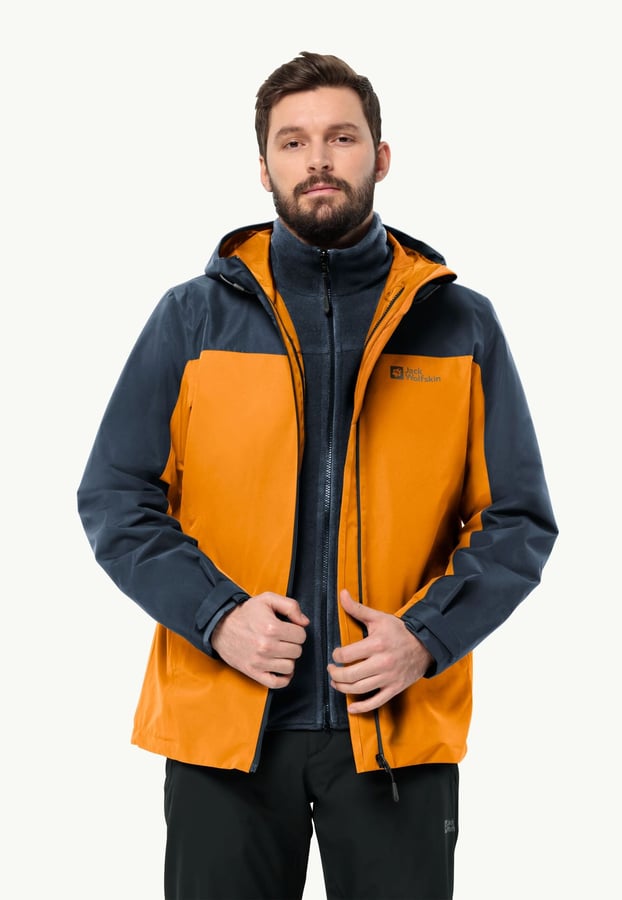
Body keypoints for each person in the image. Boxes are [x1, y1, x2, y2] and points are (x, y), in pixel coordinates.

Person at [77, 50, 557, 900]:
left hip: (393, 731)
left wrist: (425, 638)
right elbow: (117, 497)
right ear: (264, 167)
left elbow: (517, 519)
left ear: (381, 155)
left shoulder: (460, 323)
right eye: (293, 142)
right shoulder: (191, 318)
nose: (319, 160)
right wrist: (218, 616)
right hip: (224, 729)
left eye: (341, 137)